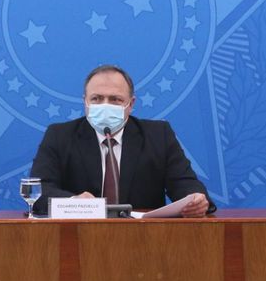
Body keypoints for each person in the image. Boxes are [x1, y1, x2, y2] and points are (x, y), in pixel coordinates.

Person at [29, 64, 213, 217]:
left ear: (130, 104)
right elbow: (40, 191)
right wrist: (73, 202)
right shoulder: (60, 135)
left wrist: (195, 199)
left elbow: (184, 183)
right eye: (97, 99)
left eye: (115, 99)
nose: (105, 105)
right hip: (77, 236)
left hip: (144, 239)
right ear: (85, 102)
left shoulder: (158, 135)